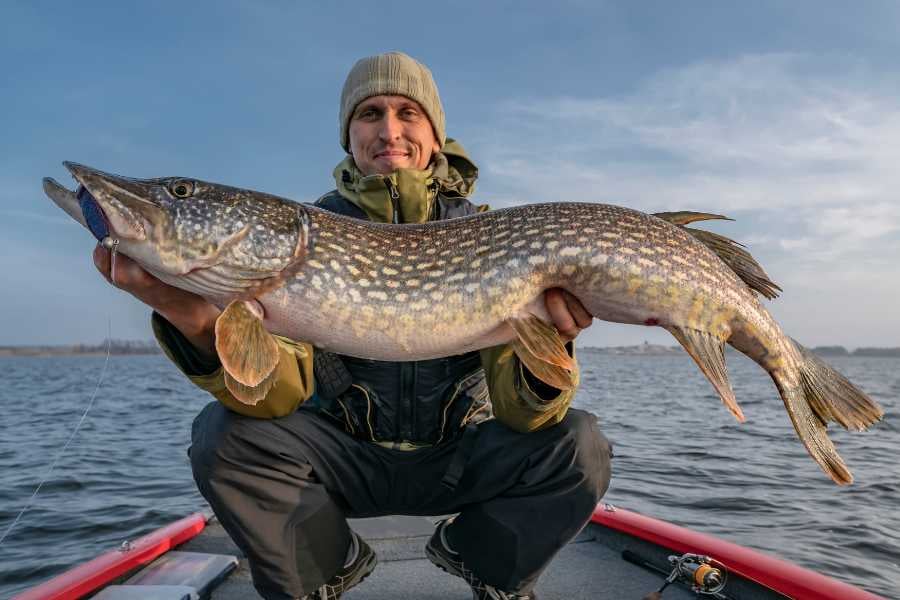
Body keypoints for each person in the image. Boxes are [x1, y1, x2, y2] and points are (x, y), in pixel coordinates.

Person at [92, 51, 613, 600]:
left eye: (408, 113)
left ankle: (480, 558)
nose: (389, 130)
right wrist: (189, 315)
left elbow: (523, 415)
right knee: (222, 438)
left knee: (578, 445)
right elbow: (274, 399)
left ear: (435, 136)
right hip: (345, 459)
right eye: (370, 114)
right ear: (350, 136)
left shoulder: (497, 237)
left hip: (460, 457)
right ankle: (329, 564)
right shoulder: (305, 236)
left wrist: (551, 341)